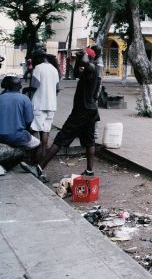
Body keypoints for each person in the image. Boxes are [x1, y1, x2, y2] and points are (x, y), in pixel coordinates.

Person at [22, 46, 102, 182]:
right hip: (90, 111)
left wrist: (84, 58)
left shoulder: (93, 68)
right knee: (89, 141)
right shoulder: (87, 72)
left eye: (84, 58)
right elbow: (76, 73)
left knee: (60, 139)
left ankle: (38, 168)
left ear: (90, 59)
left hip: (81, 112)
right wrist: (78, 61)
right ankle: (89, 171)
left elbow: (89, 66)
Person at [0, 75, 42, 167]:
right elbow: (29, 121)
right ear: (20, 86)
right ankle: (35, 168)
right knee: (38, 144)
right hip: (16, 136)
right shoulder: (24, 99)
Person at [29, 49, 60, 158]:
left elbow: (34, 86)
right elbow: (57, 89)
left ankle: (34, 159)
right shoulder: (54, 69)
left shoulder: (38, 68)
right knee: (45, 131)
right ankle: (41, 160)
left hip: (39, 104)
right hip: (51, 105)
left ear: (38, 58)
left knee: (34, 130)